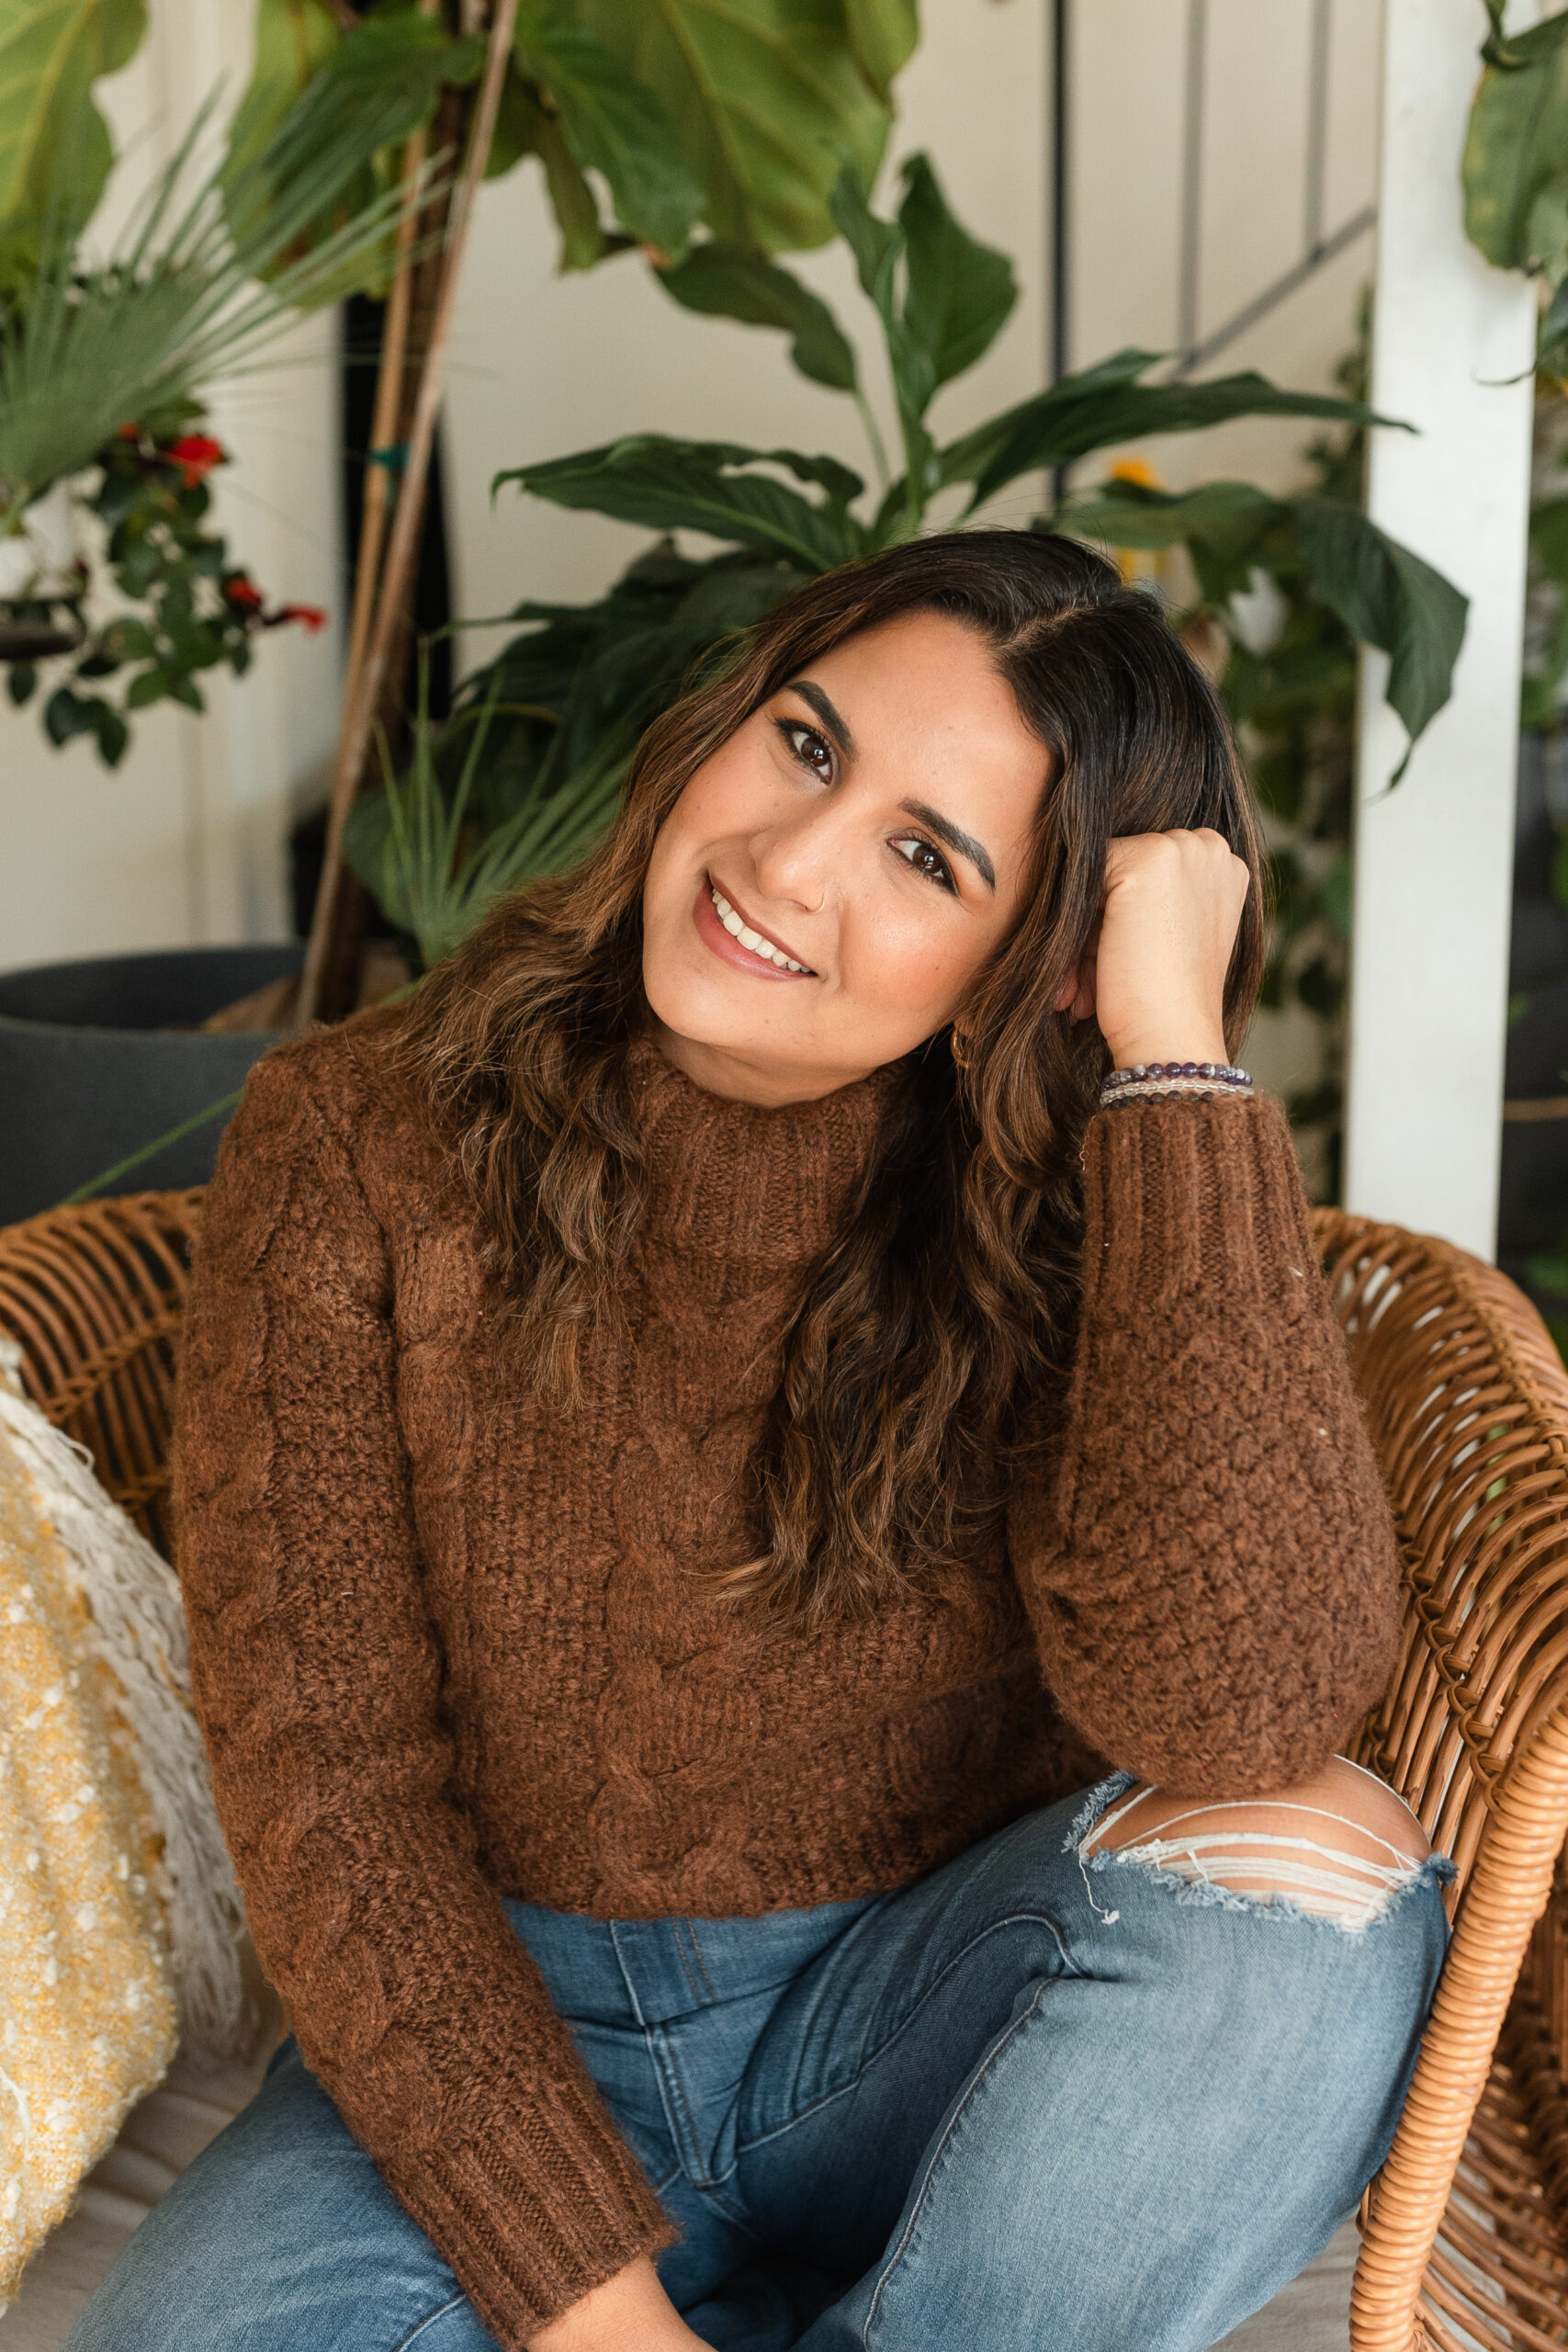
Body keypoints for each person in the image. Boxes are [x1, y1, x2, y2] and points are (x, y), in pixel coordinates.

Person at [67, 531, 1451, 2352]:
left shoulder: (1079, 1191)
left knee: (1317, 1888)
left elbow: (1242, 1723)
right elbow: (333, 1795)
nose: (787, 866)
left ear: (1026, 968)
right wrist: (600, 2320)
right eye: (806, 745)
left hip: (920, 2027)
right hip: (493, 2033)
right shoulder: (351, 1139)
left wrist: (1172, 1056)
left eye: (925, 854)